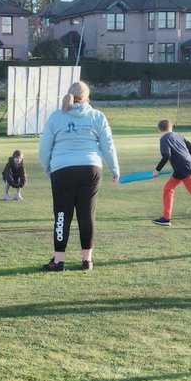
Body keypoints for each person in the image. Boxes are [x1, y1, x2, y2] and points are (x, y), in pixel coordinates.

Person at [38, 81, 119, 271]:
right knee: (87, 215)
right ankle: (87, 260)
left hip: (62, 169)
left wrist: (47, 168)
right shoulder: (97, 116)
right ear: (87, 97)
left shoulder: (56, 117)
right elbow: (108, 145)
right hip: (90, 168)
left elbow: (44, 147)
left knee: (61, 215)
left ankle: (58, 261)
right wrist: (114, 169)